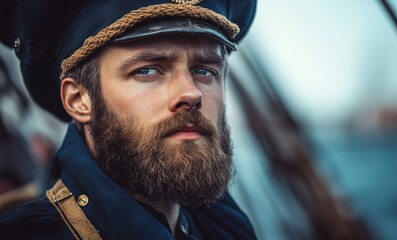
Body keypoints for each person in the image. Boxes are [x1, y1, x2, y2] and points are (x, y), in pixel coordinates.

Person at [0, 0, 257, 239]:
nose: (191, 93)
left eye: (204, 70)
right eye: (146, 70)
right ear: (79, 99)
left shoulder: (228, 228)